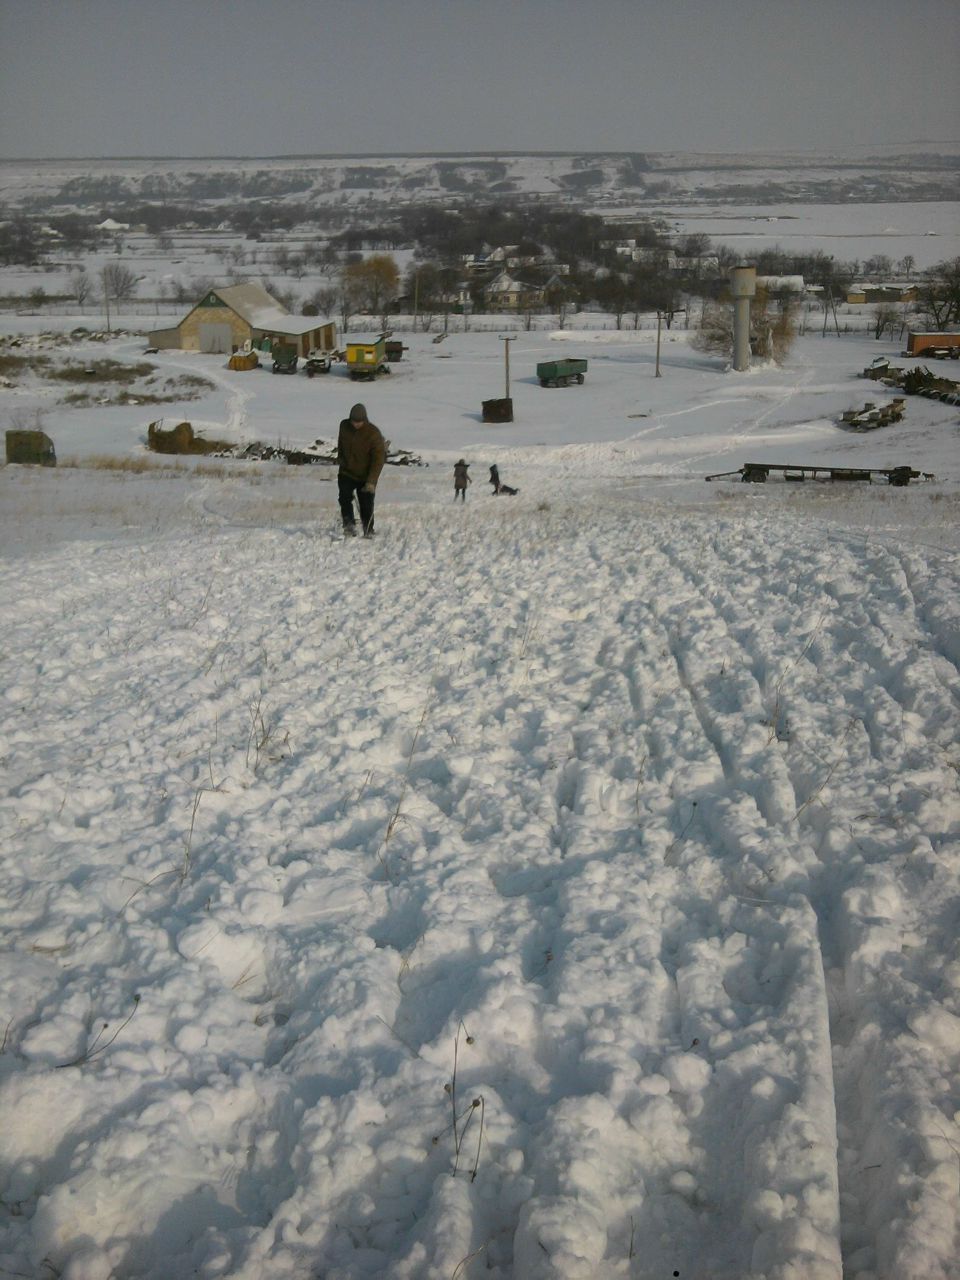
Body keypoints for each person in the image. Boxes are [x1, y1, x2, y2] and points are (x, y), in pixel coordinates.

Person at [337, 403, 386, 537]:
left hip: (366, 476)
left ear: (364, 419)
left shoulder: (373, 433)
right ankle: (349, 526)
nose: (356, 424)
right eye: (353, 421)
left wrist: (371, 481)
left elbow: (378, 460)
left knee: (366, 504)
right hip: (347, 472)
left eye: (359, 422)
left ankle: (368, 529)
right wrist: (341, 459)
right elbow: (340, 443)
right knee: (344, 498)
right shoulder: (344, 426)